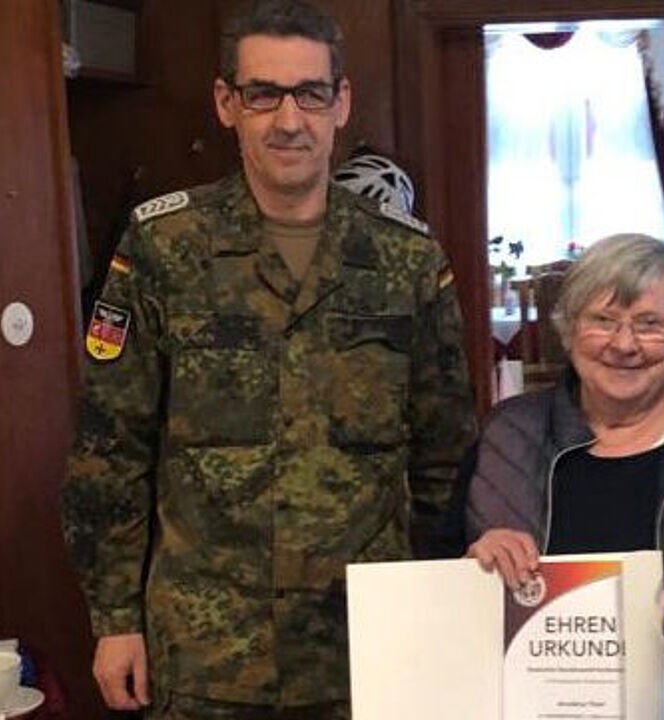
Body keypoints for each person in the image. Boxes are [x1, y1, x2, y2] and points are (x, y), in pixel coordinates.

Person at [60, 1, 475, 717]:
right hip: (205, 653)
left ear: (340, 102)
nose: (290, 120)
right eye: (263, 94)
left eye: (311, 93)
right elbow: (110, 449)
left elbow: (445, 456)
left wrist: (434, 608)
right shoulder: (162, 248)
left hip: (366, 644)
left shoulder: (407, 258)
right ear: (227, 103)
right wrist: (115, 619)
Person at [462, 233, 664, 587]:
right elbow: (440, 575)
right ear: (569, 331)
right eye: (603, 321)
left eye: (649, 323)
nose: (624, 344)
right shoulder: (508, 433)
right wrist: (473, 565)